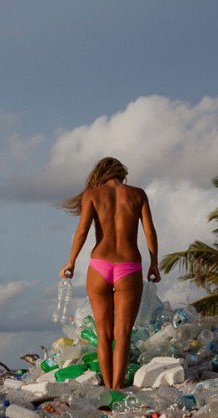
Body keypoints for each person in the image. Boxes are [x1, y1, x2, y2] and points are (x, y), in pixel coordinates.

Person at [60, 157, 160, 389]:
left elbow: (81, 232)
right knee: (123, 333)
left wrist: (71, 261)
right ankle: (117, 388)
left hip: (99, 266)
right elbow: (150, 232)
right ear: (122, 173)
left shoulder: (93, 195)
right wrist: (154, 263)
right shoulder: (138, 194)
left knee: (103, 335)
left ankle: (106, 389)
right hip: (129, 267)